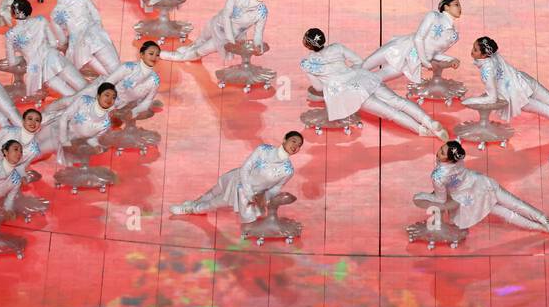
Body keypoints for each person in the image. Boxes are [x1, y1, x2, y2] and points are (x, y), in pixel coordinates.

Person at [300, 29, 448, 139]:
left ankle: (422, 131)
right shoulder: (337, 47)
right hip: (362, 78)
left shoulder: (308, 64)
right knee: (398, 101)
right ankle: (429, 121)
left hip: (349, 92)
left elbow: (319, 88)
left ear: (307, 44)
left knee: (391, 113)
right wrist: (349, 73)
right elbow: (359, 62)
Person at [416, 139, 549, 233]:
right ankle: (547, 222)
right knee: (515, 204)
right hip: (482, 183)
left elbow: (441, 199)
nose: (438, 152)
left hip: (472, 196)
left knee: (507, 213)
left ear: (449, 158)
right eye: (441, 149)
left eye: (442, 151)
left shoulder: (438, 176)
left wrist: (424, 196)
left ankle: (541, 227)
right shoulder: (457, 161)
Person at [170, 132, 304, 219]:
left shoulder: (288, 170)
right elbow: (246, 167)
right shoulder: (264, 149)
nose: (295, 146)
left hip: (247, 194)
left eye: (299, 145)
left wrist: (263, 197)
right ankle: (194, 203)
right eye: (293, 141)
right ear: (284, 139)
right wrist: (247, 189)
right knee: (214, 191)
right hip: (238, 178)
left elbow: (276, 188)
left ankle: (193, 209)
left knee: (216, 202)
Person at [160, 0, 271, 63]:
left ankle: (178, 56)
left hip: (230, 38)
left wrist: (257, 47)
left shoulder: (262, 12)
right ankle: (188, 50)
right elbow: (227, 15)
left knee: (200, 51)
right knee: (200, 40)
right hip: (218, 22)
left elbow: (258, 33)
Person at [468, 36, 549, 123]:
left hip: (517, 95)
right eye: (473, 47)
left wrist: (471, 100)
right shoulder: (493, 55)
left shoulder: (487, 69)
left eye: (475, 49)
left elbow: (492, 98)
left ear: (484, 55)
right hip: (524, 81)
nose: (472, 51)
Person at [364, 0, 460, 85]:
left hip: (412, 61)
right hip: (401, 47)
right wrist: (425, 61)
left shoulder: (454, 35)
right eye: (456, 4)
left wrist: (451, 59)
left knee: (374, 79)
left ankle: (352, 92)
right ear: (446, 7)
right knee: (363, 66)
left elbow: (434, 53)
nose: (460, 8)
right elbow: (418, 38)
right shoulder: (434, 16)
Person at [2, 0, 85, 98]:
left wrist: (24, 56)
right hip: (54, 58)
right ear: (29, 10)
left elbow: (12, 62)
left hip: (38, 69)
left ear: (13, 13)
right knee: (83, 87)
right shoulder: (41, 20)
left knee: (70, 96)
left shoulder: (10, 35)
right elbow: (54, 43)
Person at [48, 0, 122, 77]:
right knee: (117, 71)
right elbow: (97, 18)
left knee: (108, 78)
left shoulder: (54, 14)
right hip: (96, 36)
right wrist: (97, 31)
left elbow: (63, 41)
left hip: (79, 49)